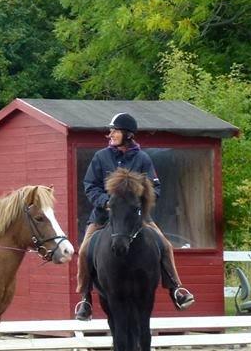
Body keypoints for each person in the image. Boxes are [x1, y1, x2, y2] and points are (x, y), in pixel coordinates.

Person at [73, 112, 195, 321]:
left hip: (136, 218)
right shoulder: (101, 157)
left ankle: (176, 289)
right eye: (111, 130)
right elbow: (89, 186)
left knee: (164, 245)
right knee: (84, 250)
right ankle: (85, 298)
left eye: (115, 130)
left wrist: (136, 203)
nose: (110, 134)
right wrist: (106, 202)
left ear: (127, 134)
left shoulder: (142, 159)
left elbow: (155, 187)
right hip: (104, 216)